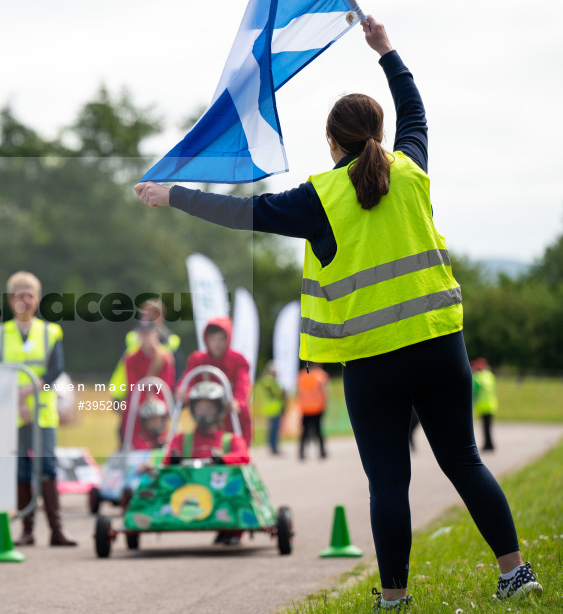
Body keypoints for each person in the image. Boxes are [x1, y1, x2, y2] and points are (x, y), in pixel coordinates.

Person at [134, 16, 541, 608]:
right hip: (438, 345)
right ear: (377, 133)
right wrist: (387, 50)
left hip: (372, 363)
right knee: (464, 460)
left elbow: (240, 215)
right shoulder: (411, 172)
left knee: (388, 482)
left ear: (332, 142)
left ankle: (396, 598)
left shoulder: (317, 198)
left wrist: (173, 195)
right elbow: (416, 114)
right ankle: (515, 573)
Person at [0, 271, 77, 547]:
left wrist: (27, 392)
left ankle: (57, 530)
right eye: (20, 295)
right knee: (20, 468)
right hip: (13, 414)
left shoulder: (51, 331)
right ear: (10, 300)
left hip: (42, 411)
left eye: (30, 295)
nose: (25, 300)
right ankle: (27, 529)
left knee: (47, 467)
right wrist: (16, 401)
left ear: (38, 299)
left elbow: (55, 370)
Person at [165, 381, 250, 545]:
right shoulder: (182, 439)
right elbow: (165, 461)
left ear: (219, 410)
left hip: (219, 493)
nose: (203, 413)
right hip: (186, 493)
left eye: (208, 408)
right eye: (199, 408)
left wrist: (223, 459)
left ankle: (232, 529)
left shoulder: (229, 439)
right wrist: (173, 460)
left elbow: (244, 456)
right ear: (192, 410)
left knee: (237, 479)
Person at [181, 316, 253, 446]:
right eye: (213, 339)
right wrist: (183, 394)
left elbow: (243, 386)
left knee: (236, 454)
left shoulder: (238, 361)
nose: (217, 343)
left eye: (221, 339)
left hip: (232, 419)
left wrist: (237, 402)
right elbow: (186, 382)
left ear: (228, 339)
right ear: (206, 339)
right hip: (206, 421)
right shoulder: (197, 360)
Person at [108, 298, 183, 404]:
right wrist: (118, 395)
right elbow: (123, 368)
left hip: (161, 398)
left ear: (163, 316)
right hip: (131, 394)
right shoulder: (132, 337)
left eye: (155, 313)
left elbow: (176, 372)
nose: (151, 317)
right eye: (146, 313)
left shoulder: (171, 340)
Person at [120, 320, 175, 444]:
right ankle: (134, 444)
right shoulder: (131, 358)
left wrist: (155, 399)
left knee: (158, 411)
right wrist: (145, 400)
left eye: (149, 333)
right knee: (131, 410)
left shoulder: (165, 357)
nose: (146, 337)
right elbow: (133, 385)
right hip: (139, 399)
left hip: (159, 399)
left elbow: (166, 384)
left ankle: (165, 442)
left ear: (155, 334)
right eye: (143, 333)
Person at [296, 364, 329, 460]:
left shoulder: (301, 375)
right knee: (318, 431)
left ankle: (301, 452)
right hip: (317, 408)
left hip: (305, 408)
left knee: (304, 432)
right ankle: (322, 452)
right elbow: (325, 391)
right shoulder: (320, 375)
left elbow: (299, 391)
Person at [253, 362, 286, 455]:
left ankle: (274, 446)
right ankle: (273, 447)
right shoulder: (269, 380)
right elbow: (275, 392)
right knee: (274, 429)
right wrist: (281, 393)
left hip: (274, 407)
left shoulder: (270, 380)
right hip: (273, 408)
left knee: (274, 429)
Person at [471, 358, 498, 452]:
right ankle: (489, 444)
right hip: (491, 404)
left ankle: (488, 445)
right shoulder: (489, 375)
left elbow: (474, 391)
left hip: (484, 405)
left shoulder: (477, 377)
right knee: (488, 427)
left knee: (485, 428)